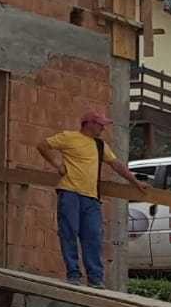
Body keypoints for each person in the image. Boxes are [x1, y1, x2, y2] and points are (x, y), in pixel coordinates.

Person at [37, 110, 149, 287]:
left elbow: (116, 165)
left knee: (93, 236)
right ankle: (73, 274)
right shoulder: (69, 137)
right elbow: (42, 145)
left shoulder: (100, 145)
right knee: (69, 233)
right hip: (70, 192)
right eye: (100, 125)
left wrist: (135, 182)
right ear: (89, 123)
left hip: (91, 197)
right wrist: (57, 164)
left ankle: (95, 278)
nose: (103, 128)